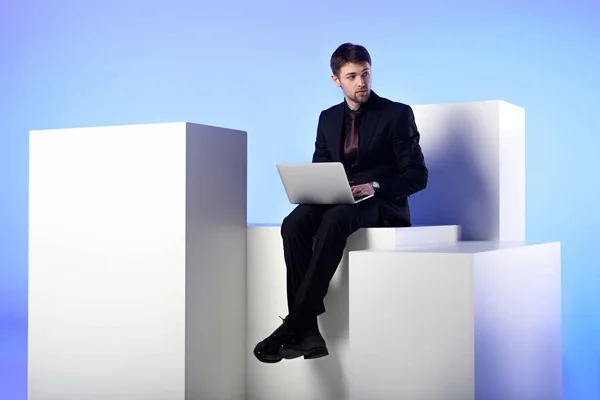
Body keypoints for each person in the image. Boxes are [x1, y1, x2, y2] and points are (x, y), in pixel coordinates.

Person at [253, 43, 428, 363]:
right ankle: (307, 332)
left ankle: (294, 325)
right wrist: (320, 187)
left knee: (336, 219)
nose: (361, 82)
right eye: (352, 76)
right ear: (336, 80)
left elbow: (418, 176)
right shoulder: (328, 118)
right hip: (338, 198)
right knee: (293, 223)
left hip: (382, 202)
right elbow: (321, 166)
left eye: (365, 74)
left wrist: (373, 186)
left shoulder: (396, 114)